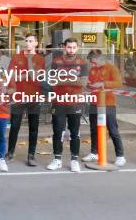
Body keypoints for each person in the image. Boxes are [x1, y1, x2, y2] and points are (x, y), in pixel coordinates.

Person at [47, 38, 88, 173]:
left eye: (74, 47)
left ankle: (74, 160)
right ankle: (57, 159)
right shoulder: (56, 61)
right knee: (57, 132)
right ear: (64, 47)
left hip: (75, 101)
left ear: (77, 48)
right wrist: (73, 80)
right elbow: (52, 80)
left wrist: (62, 80)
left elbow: (83, 83)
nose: (71, 50)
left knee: (74, 133)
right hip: (58, 101)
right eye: (69, 47)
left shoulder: (82, 63)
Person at [6, 33, 46, 167]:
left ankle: (31, 155)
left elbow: (37, 77)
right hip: (19, 97)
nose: (28, 43)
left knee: (33, 127)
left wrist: (28, 68)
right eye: (26, 41)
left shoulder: (40, 59)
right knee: (15, 125)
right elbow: (11, 76)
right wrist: (24, 76)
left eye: (30, 41)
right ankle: (10, 152)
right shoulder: (17, 57)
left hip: (34, 97)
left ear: (36, 43)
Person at [81, 50, 125, 166]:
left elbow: (119, 83)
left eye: (94, 62)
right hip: (94, 103)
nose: (92, 65)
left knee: (112, 129)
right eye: (91, 63)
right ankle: (94, 153)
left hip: (108, 103)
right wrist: (88, 84)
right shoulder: (92, 70)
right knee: (94, 129)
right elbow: (90, 85)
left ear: (101, 59)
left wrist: (103, 84)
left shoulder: (112, 69)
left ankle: (120, 156)